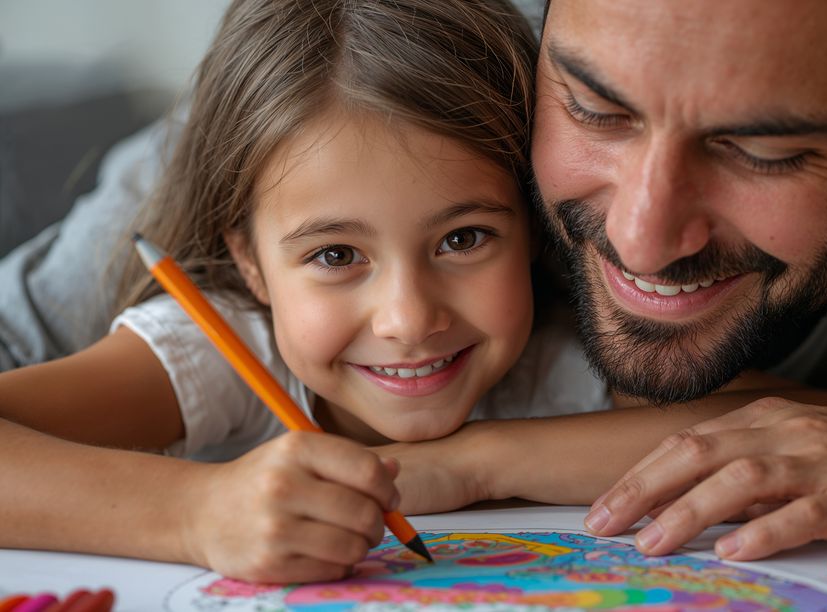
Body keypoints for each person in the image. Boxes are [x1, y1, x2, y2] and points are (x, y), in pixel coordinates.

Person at [5, 0, 827, 564]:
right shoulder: (405, 98)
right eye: (597, 112)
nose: (645, 243)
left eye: (763, 146)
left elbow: (786, 434)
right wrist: (194, 517)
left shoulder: (542, 352)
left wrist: (471, 466)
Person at [0, 0, 616, 583]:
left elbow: (714, 430)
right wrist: (194, 513)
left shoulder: (578, 344)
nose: (408, 319)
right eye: (336, 255)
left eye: (463, 239)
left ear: (535, 225)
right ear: (250, 261)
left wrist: (476, 463)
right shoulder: (222, 356)